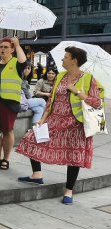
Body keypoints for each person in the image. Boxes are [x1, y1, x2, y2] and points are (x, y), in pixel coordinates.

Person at [16, 46, 103, 204]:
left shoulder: (88, 78)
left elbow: (97, 102)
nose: (62, 59)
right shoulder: (60, 76)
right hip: (54, 121)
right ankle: (37, 174)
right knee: (31, 139)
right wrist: (43, 118)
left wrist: (77, 92)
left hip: (75, 124)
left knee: (73, 156)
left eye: (65, 57)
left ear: (74, 61)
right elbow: (51, 100)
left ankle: (68, 190)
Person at [0, 37, 26, 171]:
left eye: (6, 47)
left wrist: (18, 45)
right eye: (1, 47)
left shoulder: (16, 63)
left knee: (7, 130)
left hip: (8, 102)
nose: (2, 49)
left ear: (12, 50)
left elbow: (24, 62)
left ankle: (6, 159)